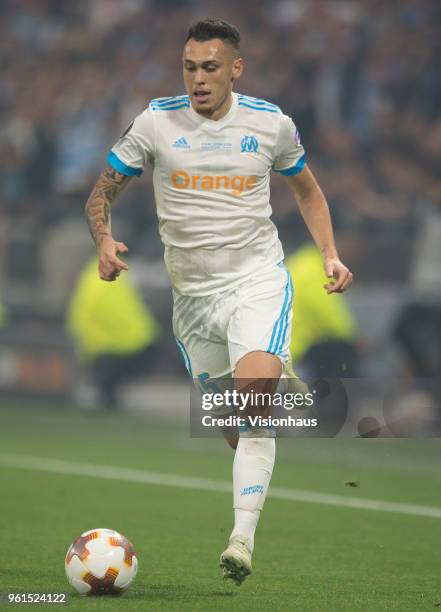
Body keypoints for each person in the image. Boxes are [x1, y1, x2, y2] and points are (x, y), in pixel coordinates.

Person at [84, 18, 352, 585]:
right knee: (235, 425)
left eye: (210, 67)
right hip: (194, 302)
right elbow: (102, 190)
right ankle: (279, 375)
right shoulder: (155, 122)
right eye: (189, 67)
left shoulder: (271, 124)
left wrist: (329, 252)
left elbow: (307, 188)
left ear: (235, 68)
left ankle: (241, 542)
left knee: (253, 402)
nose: (198, 79)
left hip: (256, 280)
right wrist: (103, 239)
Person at [67, 257, 160, 409]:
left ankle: (103, 392)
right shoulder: (111, 276)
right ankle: (104, 392)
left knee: (109, 374)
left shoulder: (93, 278)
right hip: (131, 343)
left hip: (107, 345)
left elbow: (81, 317)